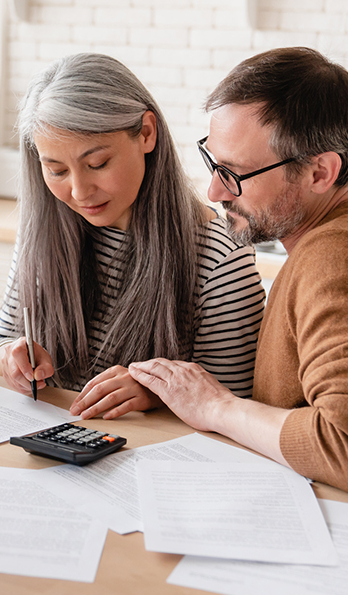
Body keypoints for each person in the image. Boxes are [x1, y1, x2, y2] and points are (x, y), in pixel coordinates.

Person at [0, 53, 265, 420]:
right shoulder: (43, 231)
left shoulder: (219, 257)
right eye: (55, 170)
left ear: (146, 133)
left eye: (97, 164)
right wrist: (10, 359)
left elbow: (234, 404)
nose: (80, 191)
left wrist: (157, 393)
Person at [129, 47, 348, 491]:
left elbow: (340, 443)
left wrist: (217, 407)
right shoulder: (319, 244)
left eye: (233, 172)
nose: (213, 190)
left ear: (320, 173)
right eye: (213, 163)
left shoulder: (331, 257)